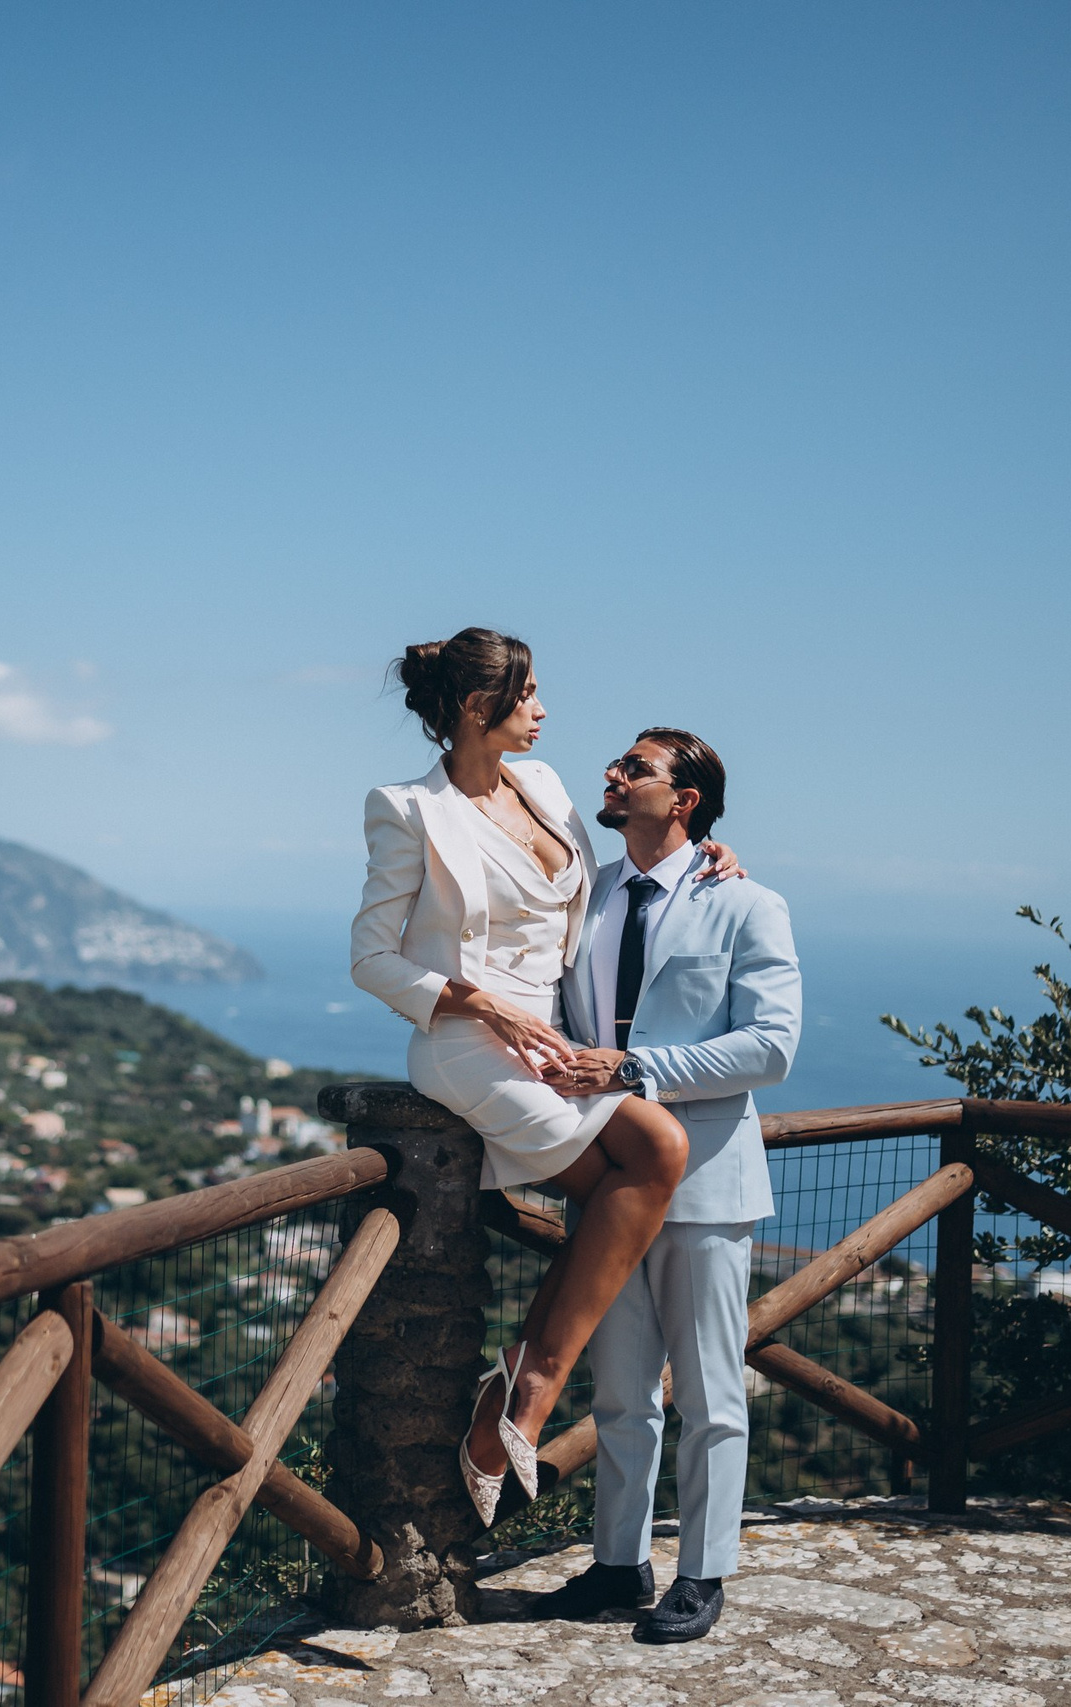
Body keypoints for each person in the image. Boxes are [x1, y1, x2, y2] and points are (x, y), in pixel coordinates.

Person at [349, 628, 742, 1530]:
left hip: (554, 1039)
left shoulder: (550, 785)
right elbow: (371, 959)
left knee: (634, 1170)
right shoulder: (406, 808)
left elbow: (606, 886)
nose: (544, 710)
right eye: (528, 694)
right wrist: (482, 1006)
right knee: (650, 1153)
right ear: (481, 708)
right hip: (466, 1038)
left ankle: (511, 1395)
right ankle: (527, 1394)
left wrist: (707, 852)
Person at [527, 727, 800, 1644]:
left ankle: (704, 1570)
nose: (611, 774)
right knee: (621, 1391)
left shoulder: (748, 903)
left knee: (713, 1395)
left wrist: (633, 1068)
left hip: (710, 1184)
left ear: (683, 800)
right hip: (609, 1181)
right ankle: (617, 1563)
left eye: (635, 767)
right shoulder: (588, 894)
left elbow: (772, 1045)